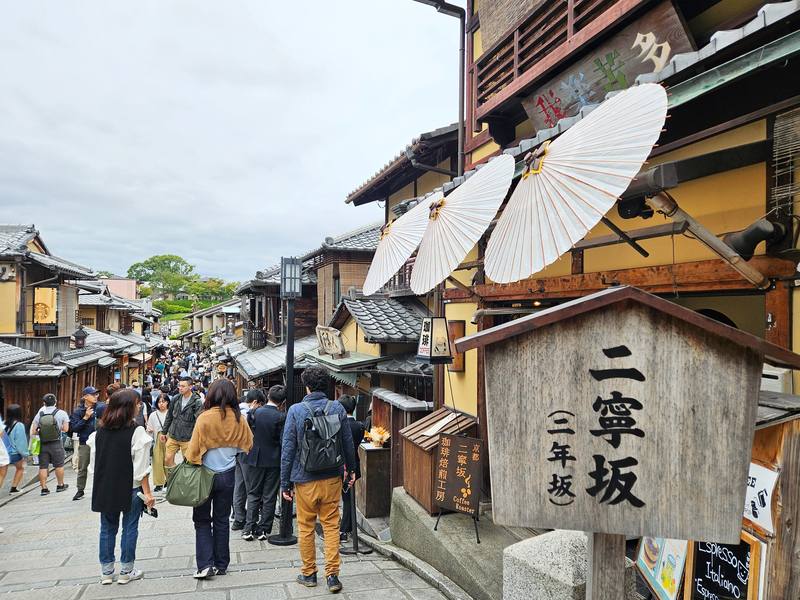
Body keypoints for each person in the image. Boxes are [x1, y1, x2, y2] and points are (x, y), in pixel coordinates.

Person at [281, 366, 355, 594]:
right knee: (331, 525)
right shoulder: (337, 408)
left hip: (304, 479)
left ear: (307, 386)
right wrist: (351, 470)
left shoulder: (296, 410)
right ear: (327, 385)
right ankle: (332, 576)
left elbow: (288, 448)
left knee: (305, 527)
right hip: (332, 477)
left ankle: (309, 573)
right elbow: (347, 442)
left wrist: (285, 483)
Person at [184, 379, 253, 579]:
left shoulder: (204, 418)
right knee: (222, 520)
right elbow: (247, 445)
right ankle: (222, 564)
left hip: (204, 475)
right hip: (228, 474)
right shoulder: (240, 419)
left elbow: (192, 453)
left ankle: (205, 564)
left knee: (202, 520)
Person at [88, 388, 155, 585]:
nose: (139, 406)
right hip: (131, 487)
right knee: (129, 528)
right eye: (137, 404)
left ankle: (107, 572)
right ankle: (126, 570)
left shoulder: (99, 432)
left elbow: (93, 465)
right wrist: (149, 494)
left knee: (107, 529)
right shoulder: (137, 431)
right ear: (128, 407)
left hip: (105, 487)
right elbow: (141, 468)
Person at [242, 386, 285, 541]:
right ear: (282, 401)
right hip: (274, 459)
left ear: (268, 396)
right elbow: (282, 441)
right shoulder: (281, 416)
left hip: (255, 457)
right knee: (269, 495)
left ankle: (248, 528)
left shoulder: (254, 413)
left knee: (253, 493)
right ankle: (263, 529)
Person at [70, 386, 107, 501]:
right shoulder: (78, 411)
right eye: (93, 394)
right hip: (85, 441)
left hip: (101, 440)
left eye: (96, 394)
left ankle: (102, 489)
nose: (96, 396)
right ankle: (80, 490)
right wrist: (85, 418)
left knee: (102, 466)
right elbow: (74, 428)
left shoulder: (101, 407)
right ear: (85, 397)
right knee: (83, 467)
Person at [31, 393, 71, 495]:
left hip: (43, 443)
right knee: (59, 465)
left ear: (44, 403)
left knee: (43, 466)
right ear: (56, 402)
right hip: (56, 442)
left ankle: (44, 488)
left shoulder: (39, 414)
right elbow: (66, 429)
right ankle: (60, 485)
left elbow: (34, 431)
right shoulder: (62, 413)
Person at [337, 395, 364, 542]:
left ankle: (343, 529)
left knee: (341, 499)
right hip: (354, 463)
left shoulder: (338, 425)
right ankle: (347, 528)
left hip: (340, 466)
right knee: (348, 499)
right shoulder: (359, 426)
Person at [160, 376, 202, 468]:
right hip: (173, 435)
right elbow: (169, 416)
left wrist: (196, 439)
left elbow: (198, 422)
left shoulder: (197, 402)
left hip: (188, 438)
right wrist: (164, 432)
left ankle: (184, 479)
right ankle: (174, 478)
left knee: (188, 463)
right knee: (167, 459)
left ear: (190, 387)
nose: (180, 388)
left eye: (183, 386)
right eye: (179, 386)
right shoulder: (176, 398)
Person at [1, 404, 29, 493]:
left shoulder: (3, 424)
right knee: (20, 468)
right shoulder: (19, 425)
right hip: (14, 454)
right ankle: (14, 488)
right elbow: (21, 442)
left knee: (2, 474)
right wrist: (25, 454)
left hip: (3, 452)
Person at [146, 393, 170, 492]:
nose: (161, 404)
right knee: (157, 462)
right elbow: (149, 428)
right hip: (157, 439)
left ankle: (169, 481)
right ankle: (159, 483)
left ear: (167, 402)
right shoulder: (153, 414)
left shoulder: (171, 413)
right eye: (159, 402)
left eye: (163, 401)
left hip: (169, 438)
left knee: (168, 460)